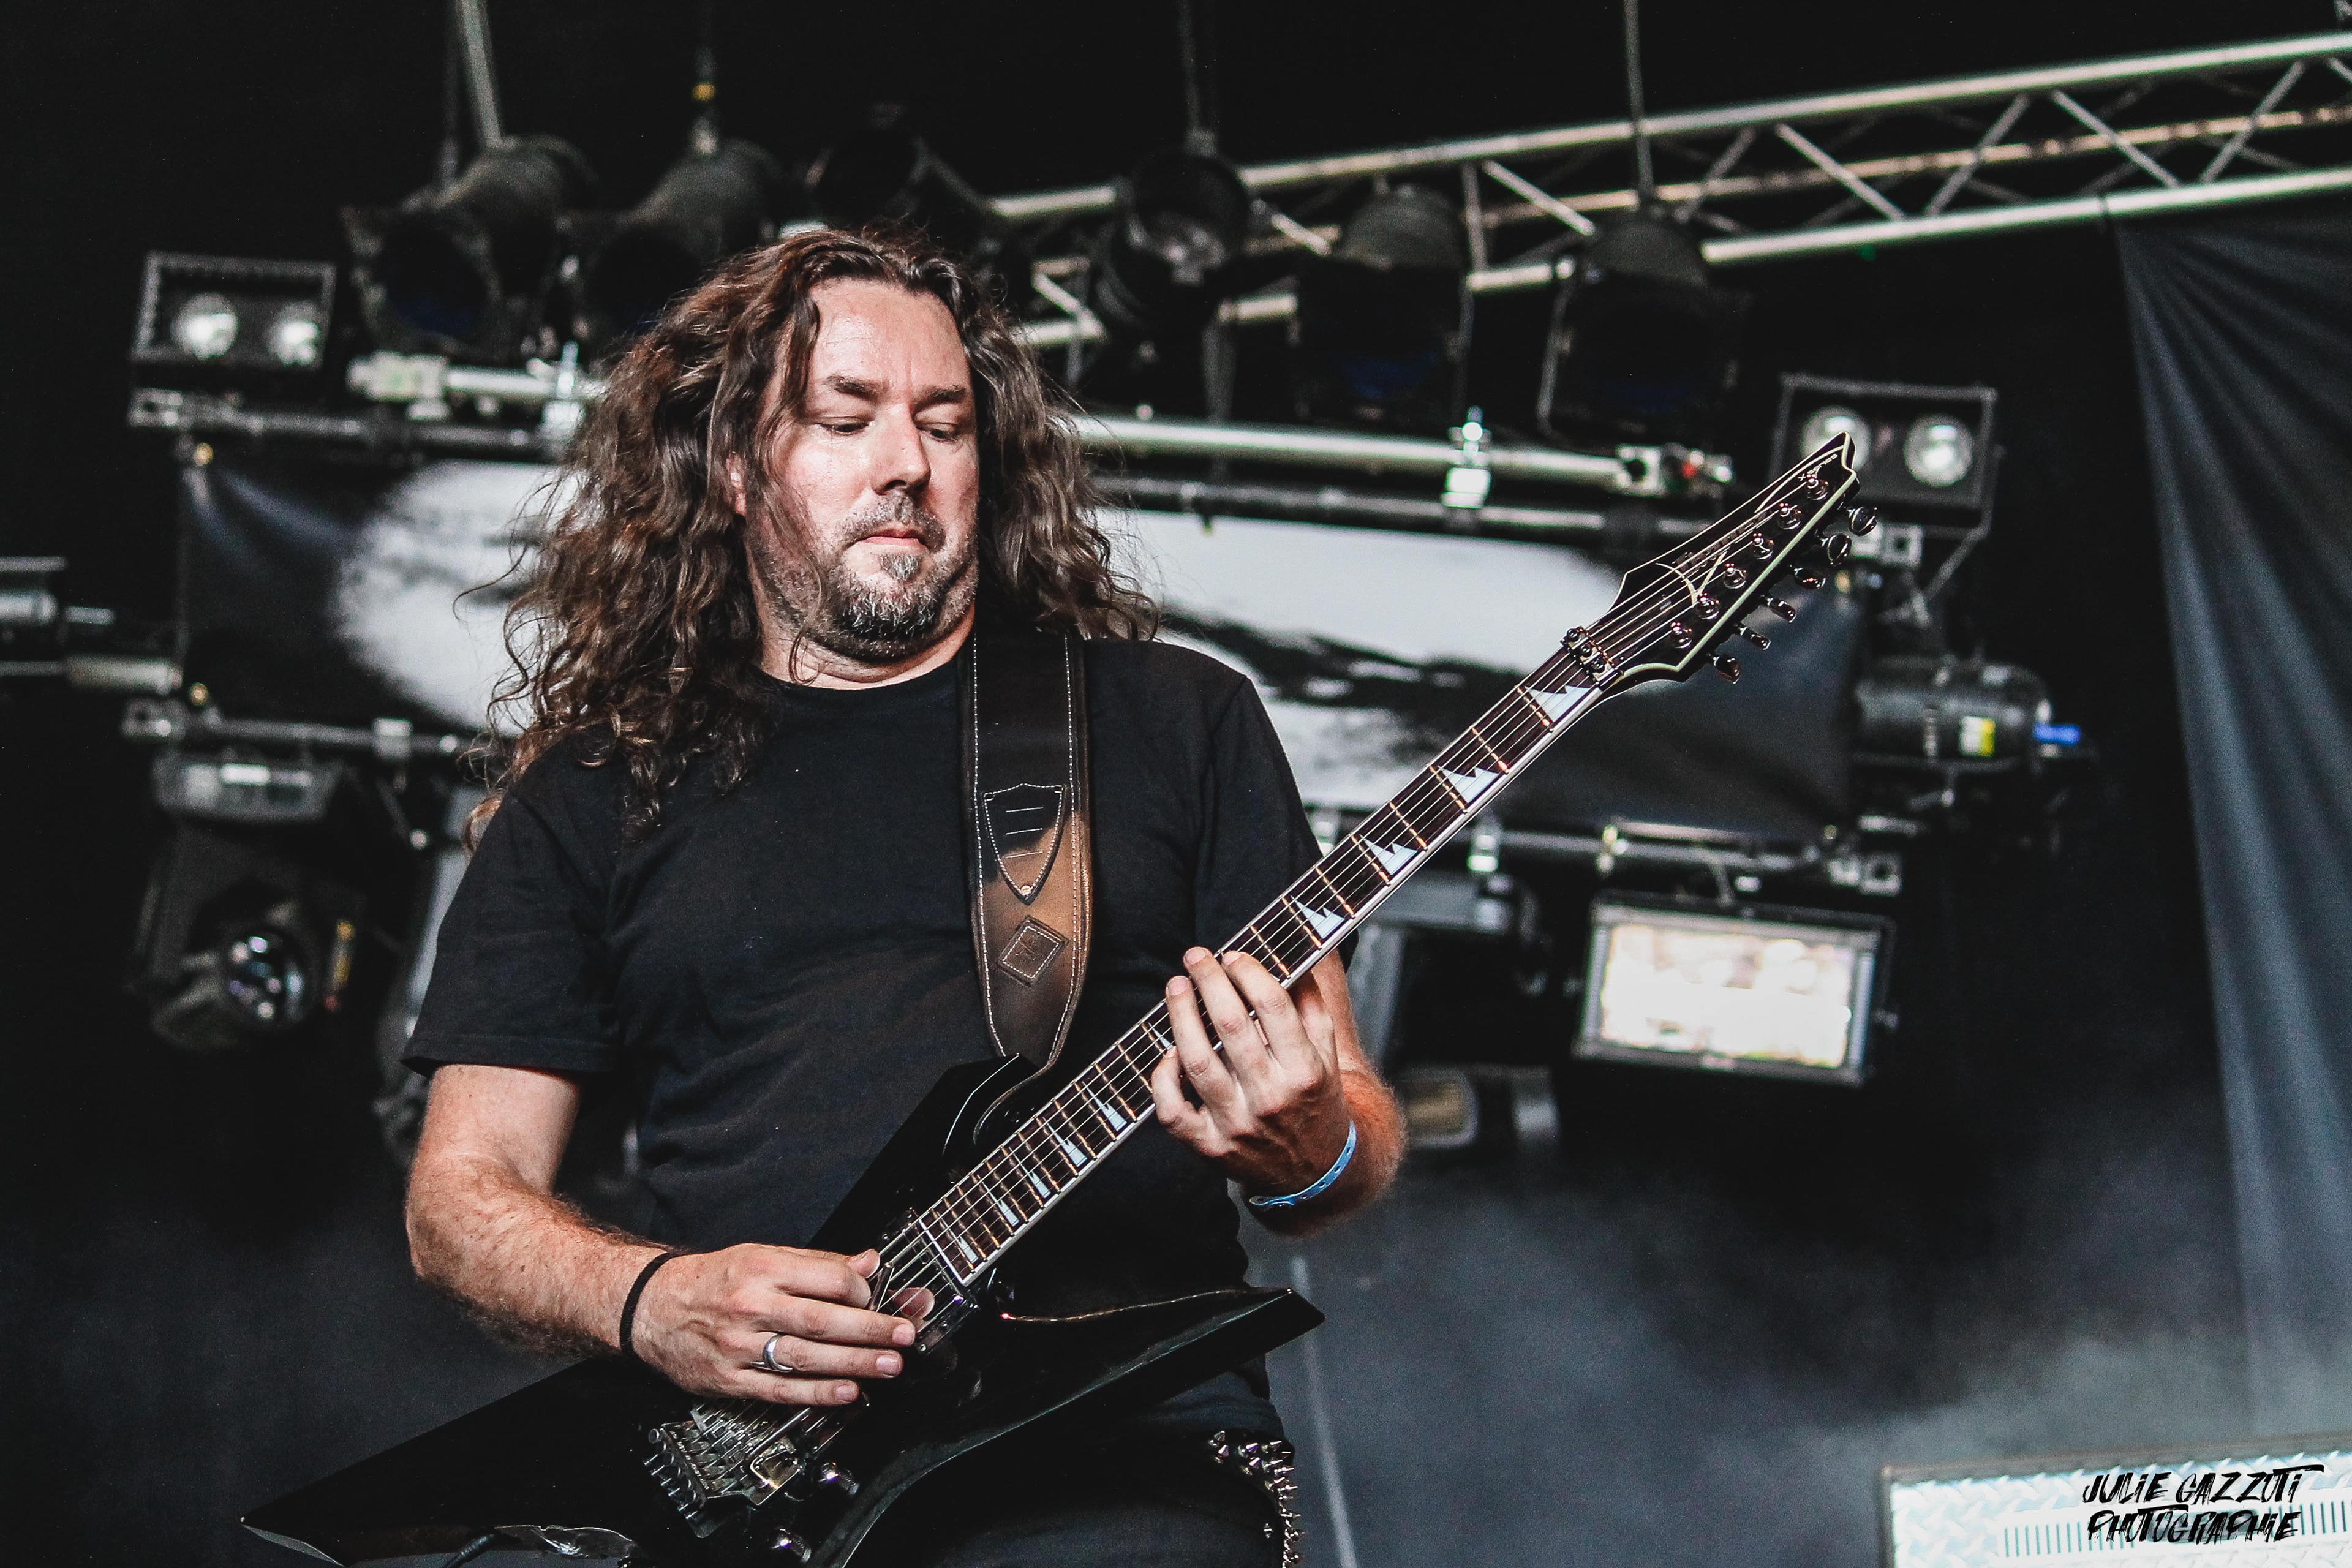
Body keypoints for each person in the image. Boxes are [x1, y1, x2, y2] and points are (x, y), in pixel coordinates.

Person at [401, 226, 1405, 1565]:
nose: (908, 465)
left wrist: (1311, 1142)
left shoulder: (1175, 721)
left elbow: (1350, 1137)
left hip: (1119, 1458)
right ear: (736, 467)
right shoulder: (598, 788)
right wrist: (652, 1299)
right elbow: (460, 1198)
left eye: (945, 423)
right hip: (769, 1493)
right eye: (846, 419)